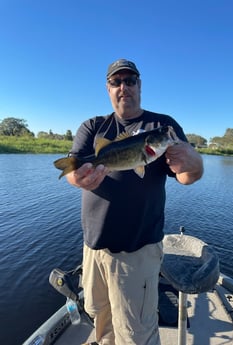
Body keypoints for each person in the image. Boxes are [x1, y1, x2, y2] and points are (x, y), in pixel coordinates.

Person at [65, 59, 203, 345]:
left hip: (137, 251)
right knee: (100, 318)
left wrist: (195, 163)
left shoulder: (162, 127)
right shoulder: (93, 127)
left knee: (136, 333)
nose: (123, 87)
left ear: (139, 85)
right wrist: (78, 178)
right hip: (93, 247)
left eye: (130, 80)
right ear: (108, 88)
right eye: (117, 82)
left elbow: (187, 176)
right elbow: (73, 171)